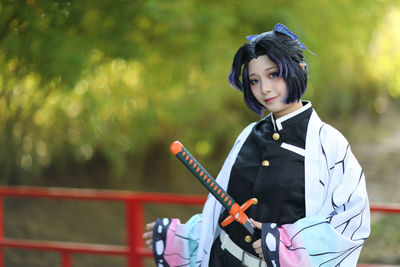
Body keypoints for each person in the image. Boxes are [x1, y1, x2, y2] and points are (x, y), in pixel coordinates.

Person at [143, 23, 370, 267]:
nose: (264, 89)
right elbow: (220, 210)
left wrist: (286, 245)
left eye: (274, 74)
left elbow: (351, 220)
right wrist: (180, 237)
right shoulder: (248, 134)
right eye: (254, 80)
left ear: (300, 70)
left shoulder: (330, 144)